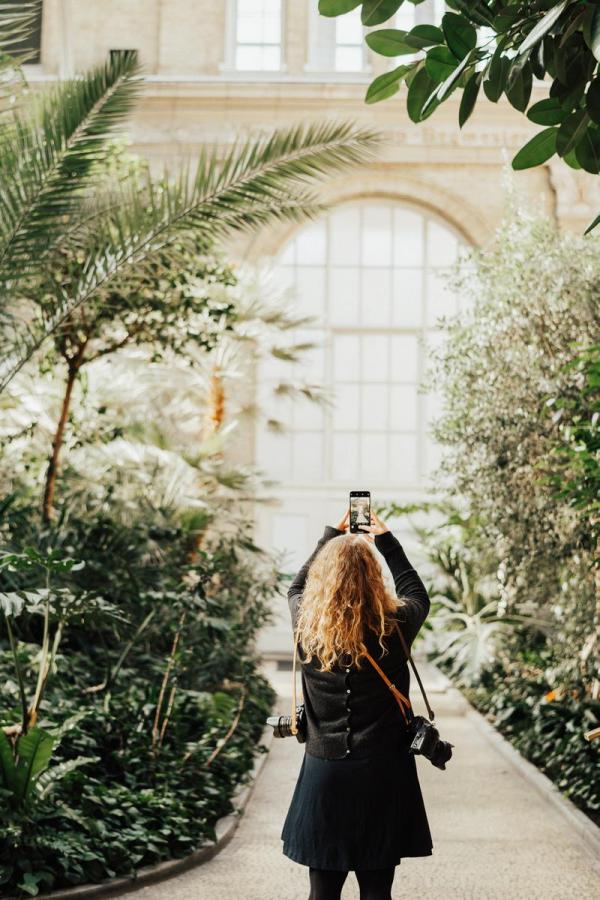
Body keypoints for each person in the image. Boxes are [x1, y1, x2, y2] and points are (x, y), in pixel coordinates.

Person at [280, 507, 433, 900]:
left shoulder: (306, 625)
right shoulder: (395, 626)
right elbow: (417, 593)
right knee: (377, 892)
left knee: (322, 893)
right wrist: (386, 541)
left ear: (324, 578)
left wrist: (330, 536)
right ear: (374, 577)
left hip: (325, 772)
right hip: (382, 772)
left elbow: (295, 588)